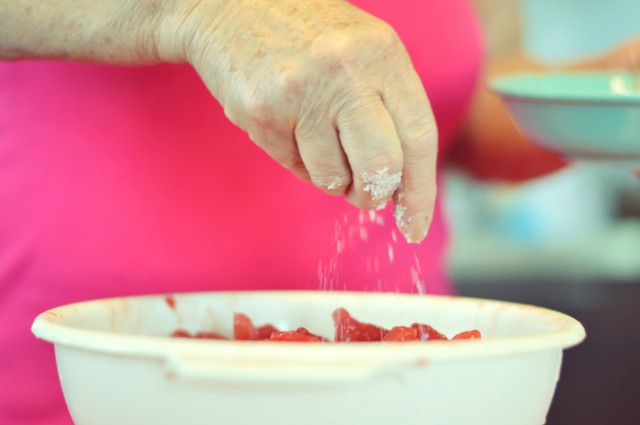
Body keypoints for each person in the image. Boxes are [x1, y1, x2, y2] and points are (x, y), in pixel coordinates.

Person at [0, 1, 637, 424]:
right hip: (90, 390)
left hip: (414, 398)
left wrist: (609, 94)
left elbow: (468, 102)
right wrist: (199, 12)